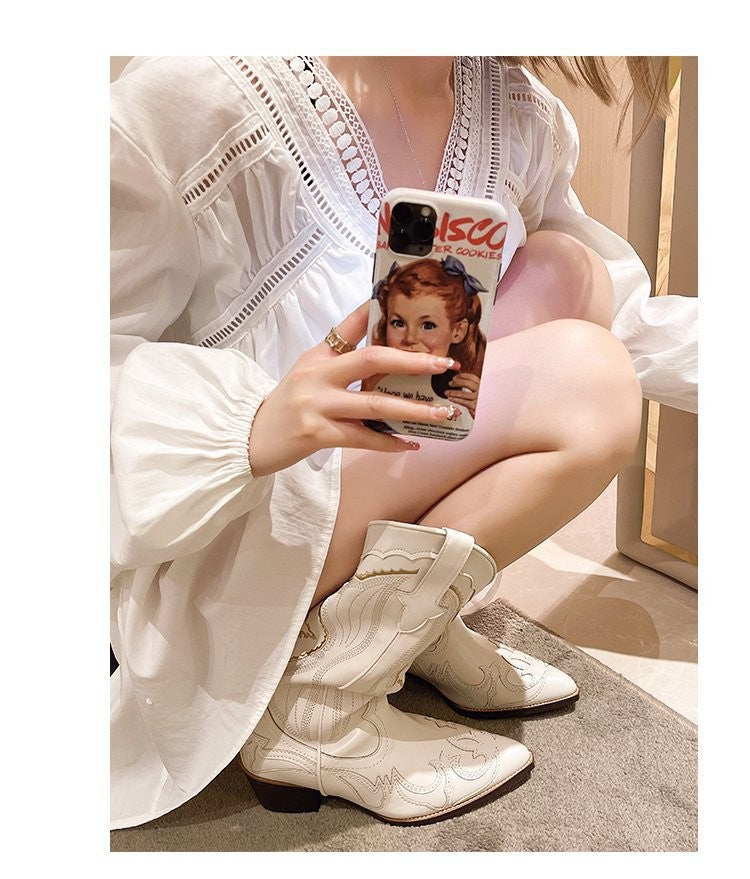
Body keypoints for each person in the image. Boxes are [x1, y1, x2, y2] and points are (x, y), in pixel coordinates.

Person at [110, 55, 696, 829]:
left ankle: (393, 632)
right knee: (592, 383)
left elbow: (610, 322)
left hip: (354, 477)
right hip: (234, 516)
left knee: (568, 272)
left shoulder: (517, 111)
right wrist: (246, 425)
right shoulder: (199, 90)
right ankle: (315, 711)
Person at [364, 256, 486, 419]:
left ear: (457, 331)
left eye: (428, 325)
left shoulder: (464, 388)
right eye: (398, 323)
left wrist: (477, 414)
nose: (410, 338)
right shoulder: (370, 380)